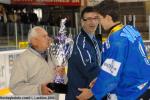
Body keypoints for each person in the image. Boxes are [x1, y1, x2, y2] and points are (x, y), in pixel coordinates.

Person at [76, 0, 150, 99]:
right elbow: (122, 63)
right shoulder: (130, 29)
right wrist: (99, 79)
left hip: (133, 90)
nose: (99, 22)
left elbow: (111, 74)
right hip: (143, 82)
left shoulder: (117, 41)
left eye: (100, 18)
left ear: (108, 17)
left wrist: (91, 92)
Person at [9, 26, 64, 95]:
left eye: (48, 36)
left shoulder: (51, 55)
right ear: (34, 41)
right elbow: (15, 87)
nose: (49, 38)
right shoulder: (23, 60)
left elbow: (60, 80)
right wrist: (39, 90)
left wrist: (61, 76)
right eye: (44, 36)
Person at [65, 6, 101, 100]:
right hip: (80, 95)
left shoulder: (95, 40)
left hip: (91, 94)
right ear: (82, 22)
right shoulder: (80, 43)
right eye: (88, 19)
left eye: (95, 18)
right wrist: (111, 79)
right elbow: (91, 70)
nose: (92, 22)